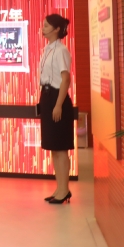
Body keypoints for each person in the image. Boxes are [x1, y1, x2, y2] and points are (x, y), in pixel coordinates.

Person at [38, 14, 74, 204]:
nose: (43, 29)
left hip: (57, 98)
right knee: (53, 147)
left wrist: (58, 104)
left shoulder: (61, 50)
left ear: (57, 29)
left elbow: (65, 79)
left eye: (46, 26)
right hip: (46, 97)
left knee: (60, 148)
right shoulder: (48, 49)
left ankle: (65, 190)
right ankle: (60, 188)